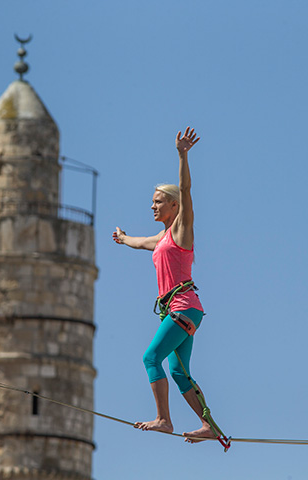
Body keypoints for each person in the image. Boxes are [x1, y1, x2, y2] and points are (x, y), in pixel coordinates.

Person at [112, 127, 216, 443]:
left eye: (158, 202)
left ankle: (163, 419)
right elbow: (141, 241)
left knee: (150, 358)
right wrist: (123, 238)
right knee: (180, 372)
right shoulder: (162, 237)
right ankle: (209, 427)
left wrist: (182, 155)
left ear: (173, 206)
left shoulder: (182, 230)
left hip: (183, 307)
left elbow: (186, 189)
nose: (153, 206)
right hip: (184, 311)